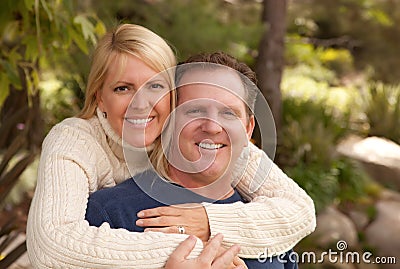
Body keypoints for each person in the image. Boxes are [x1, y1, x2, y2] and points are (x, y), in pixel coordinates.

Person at [26, 24, 315, 268]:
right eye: (122, 88)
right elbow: (53, 245)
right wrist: (198, 252)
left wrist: (209, 222)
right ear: (99, 97)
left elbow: (299, 210)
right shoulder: (77, 141)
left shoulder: (218, 145)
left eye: (155, 86)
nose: (141, 104)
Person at [85, 52, 297, 269]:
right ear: (169, 120)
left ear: (247, 129)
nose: (212, 127)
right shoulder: (109, 214)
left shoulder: (270, 226)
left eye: (228, 113)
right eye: (195, 110)